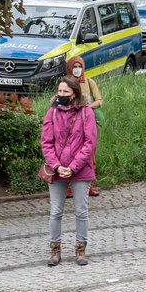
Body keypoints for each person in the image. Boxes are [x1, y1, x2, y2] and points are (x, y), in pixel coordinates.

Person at [41, 76, 98, 266]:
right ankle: (55, 249)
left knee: (81, 211)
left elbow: (90, 143)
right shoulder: (52, 113)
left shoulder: (86, 112)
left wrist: (73, 168)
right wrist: (57, 166)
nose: (62, 95)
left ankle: (80, 249)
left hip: (80, 170)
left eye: (66, 91)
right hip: (57, 170)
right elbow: (46, 143)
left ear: (74, 93)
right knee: (55, 211)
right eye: (60, 91)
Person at [64, 55, 103, 197]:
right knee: (70, 154)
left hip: (88, 122)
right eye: (74, 67)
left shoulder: (89, 82)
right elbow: (59, 99)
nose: (77, 69)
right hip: (71, 123)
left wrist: (87, 107)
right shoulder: (66, 83)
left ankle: (90, 185)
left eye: (80, 66)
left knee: (90, 154)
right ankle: (69, 187)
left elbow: (99, 100)